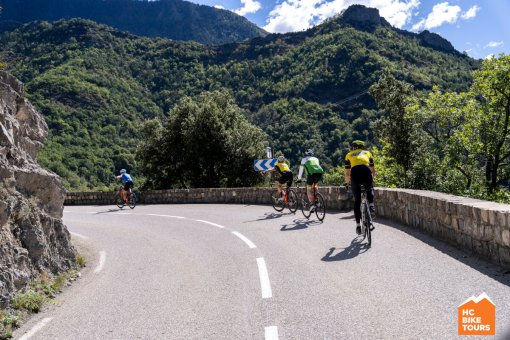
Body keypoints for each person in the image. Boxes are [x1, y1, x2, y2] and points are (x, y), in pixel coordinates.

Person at [344, 140, 375, 235]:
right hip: (366, 171)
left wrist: (347, 183)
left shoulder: (349, 155)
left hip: (355, 173)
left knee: (357, 200)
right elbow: (373, 170)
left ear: (354, 147)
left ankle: (358, 225)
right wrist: (371, 180)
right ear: (362, 147)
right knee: (369, 189)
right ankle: (371, 205)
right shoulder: (368, 153)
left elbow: (347, 173)